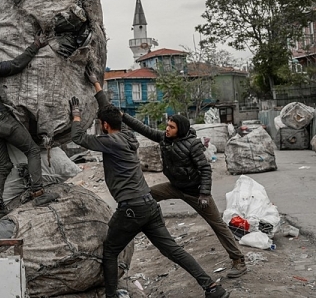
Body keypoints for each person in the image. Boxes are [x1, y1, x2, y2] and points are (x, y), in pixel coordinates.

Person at [69, 71, 230, 298]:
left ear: (104, 126)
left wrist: (75, 115)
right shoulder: (126, 135)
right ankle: (212, 288)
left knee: (110, 252)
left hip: (131, 209)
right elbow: (112, 114)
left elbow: (78, 138)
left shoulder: (110, 141)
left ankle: (111, 296)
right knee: (173, 250)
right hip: (149, 206)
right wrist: (97, 85)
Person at [120, 110, 247, 279]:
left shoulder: (192, 145)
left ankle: (238, 260)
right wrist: (123, 116)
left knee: (217, 224)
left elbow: (205, 169)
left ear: (180, 129)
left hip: (196, 192)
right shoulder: (164, 139)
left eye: (172, 127)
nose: (167, 129)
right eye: (167, 125)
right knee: (146, 195)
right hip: (175, 187)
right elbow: (143, 129)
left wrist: (204, 194)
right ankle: (130, 228)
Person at [0, 35, 59, 220]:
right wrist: (36, 45)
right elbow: (15, 65)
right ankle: (38, 192)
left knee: (4, 165)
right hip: (1, 119)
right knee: (32, 150)